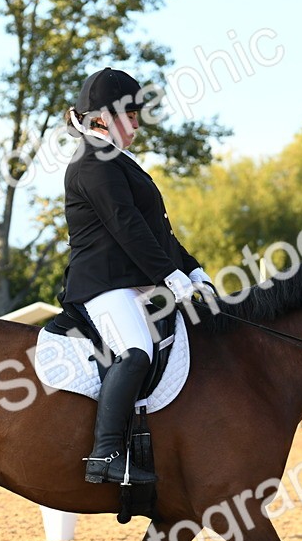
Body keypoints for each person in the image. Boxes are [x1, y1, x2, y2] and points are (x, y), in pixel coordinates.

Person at [62, 67, 215, 486]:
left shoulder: (117, 160)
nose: (136, 122)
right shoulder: (91, 161)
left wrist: (191, 268)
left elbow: (156, 230)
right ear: (102, 117)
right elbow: (125, 225)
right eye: (130, 113)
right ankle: (105, 453)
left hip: (133, 283)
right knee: (136, 350)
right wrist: (169, 275)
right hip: (104, 286)